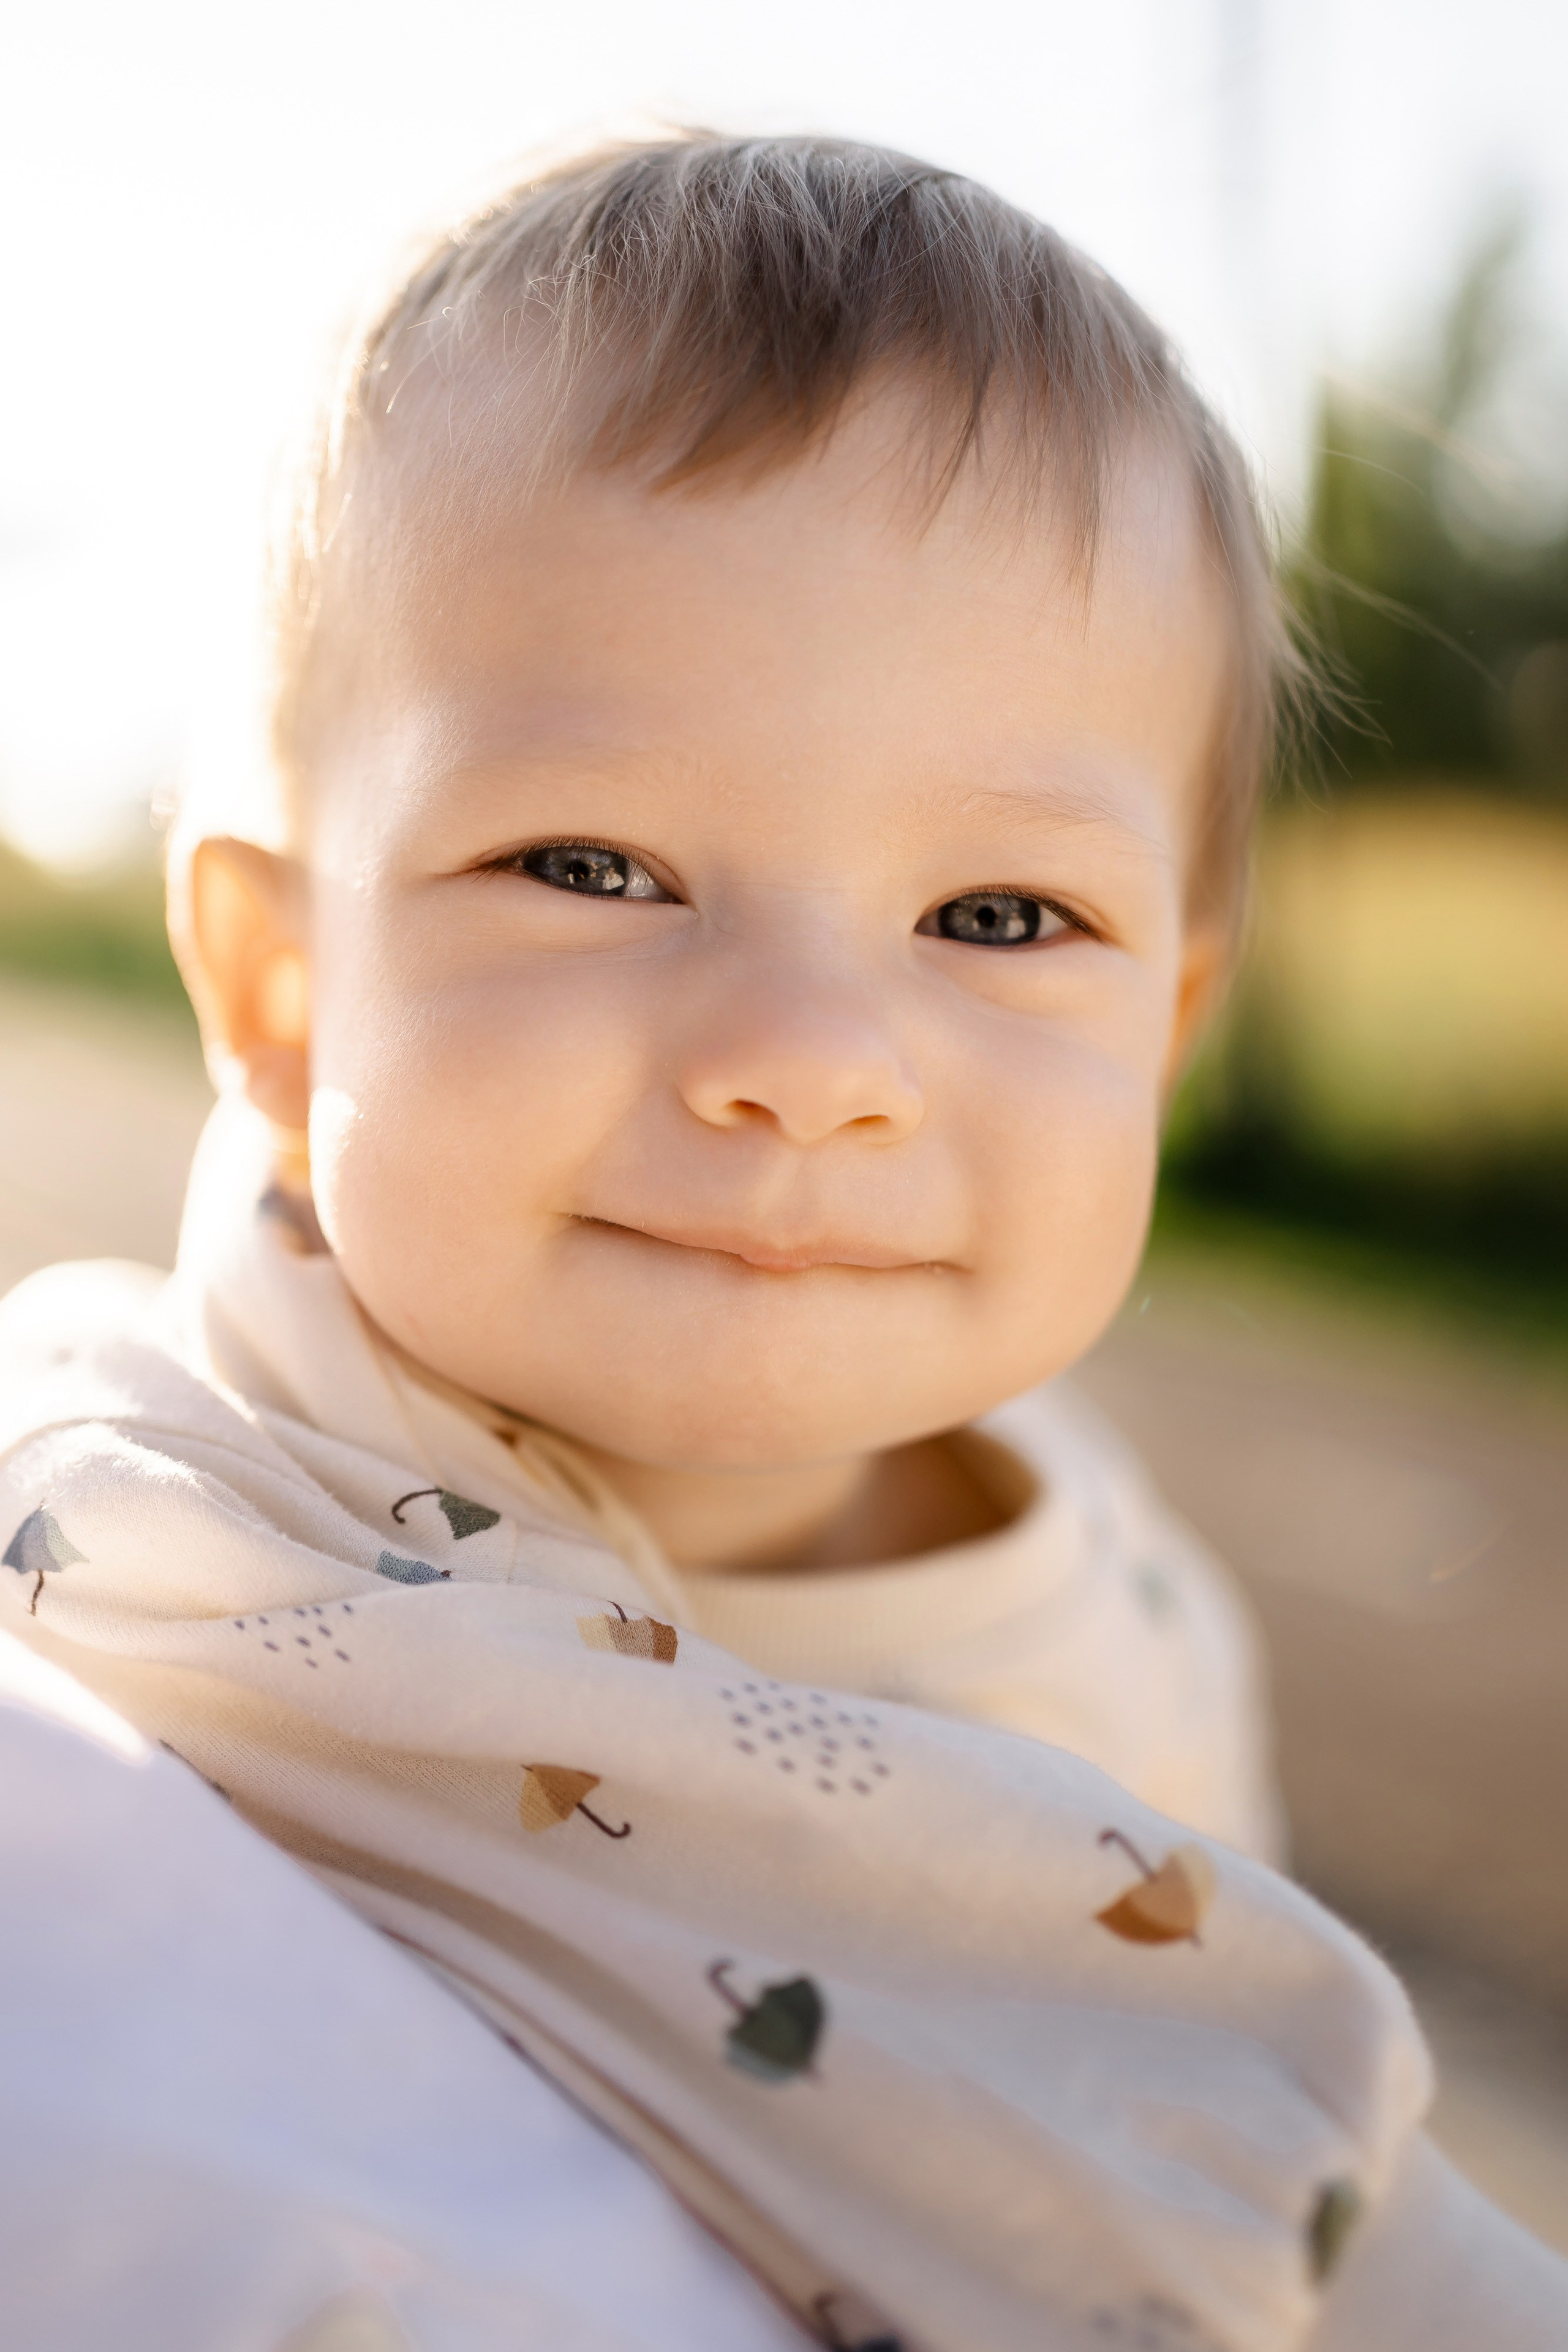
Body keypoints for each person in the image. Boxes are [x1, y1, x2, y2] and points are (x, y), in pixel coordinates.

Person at [1, 134, 1563, 2352]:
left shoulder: (1126, 1651)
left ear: (1170, 1033)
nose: (812, 1060)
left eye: (1003, 918)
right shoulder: (130, 1559)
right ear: (278, 983)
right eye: (596, 865)